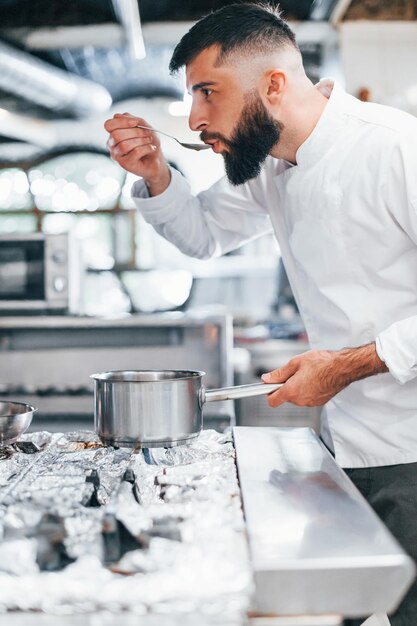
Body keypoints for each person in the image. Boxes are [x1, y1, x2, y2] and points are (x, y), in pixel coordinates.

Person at [104, 3, 417, 624]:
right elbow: (202, 235)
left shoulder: (393, 148)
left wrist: (353, 363)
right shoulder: (272, 165)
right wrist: (157, 176)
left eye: (207, 92)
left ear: (273, 84)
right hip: (348, 443)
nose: (193, 119)